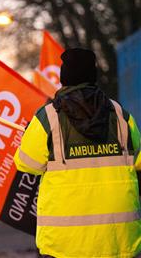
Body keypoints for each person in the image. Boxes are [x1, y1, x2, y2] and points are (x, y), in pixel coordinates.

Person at [14, 48, 141, 258]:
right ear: (94, 76)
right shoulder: (120, 115)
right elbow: (138, 160)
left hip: (66, 242)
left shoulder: (48, 117)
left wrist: (29, 135)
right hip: (118, 238)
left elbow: (27, 163)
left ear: (64, 77)